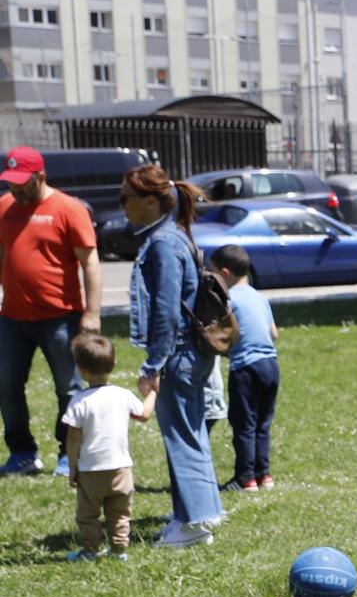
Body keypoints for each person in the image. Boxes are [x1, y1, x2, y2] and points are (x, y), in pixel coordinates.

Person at [122, 163, 224, 547]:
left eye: (126, 199)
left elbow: (166, 310)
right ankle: (193, 514)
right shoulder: (174, 235)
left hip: (178, 353)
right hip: (190, 353)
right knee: (192, 433)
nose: (123, 207)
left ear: (150, 201)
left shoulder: (164, 243)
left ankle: (194, 526)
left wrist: (153, 366)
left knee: (182, 436)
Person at [0, 145, 104, 478]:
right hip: (13, 318)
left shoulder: (68, 209)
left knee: (69, 389)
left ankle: (67, 452)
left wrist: (92, 313)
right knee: (6, 385)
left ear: (40, 176)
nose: (15, 188)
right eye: (10, 182)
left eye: (21, 182)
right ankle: (22, 452)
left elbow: (89, 262)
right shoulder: (4, 207)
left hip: (61, 318)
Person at [60, 331, 152, 561]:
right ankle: (119, 549)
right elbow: (144, 415)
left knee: (88, 515)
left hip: (91, 470)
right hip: (122, 468)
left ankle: (90, 550)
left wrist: (73, 466)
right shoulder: (123, 395)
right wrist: (152, 393)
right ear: (114, 363)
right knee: (120, 513)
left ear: (81, 370)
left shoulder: (79, 401)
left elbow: (72, 437)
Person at [209, 243, 280, 491]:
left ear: (224, 273)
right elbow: (274, 333)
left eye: (213, 271)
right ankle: (264, 475)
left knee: (243, 424)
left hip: (245, 368)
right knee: (262, 423)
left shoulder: (227, 299)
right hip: (271, 365)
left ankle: (245, 478)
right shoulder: (259, 296)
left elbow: (223, 333)